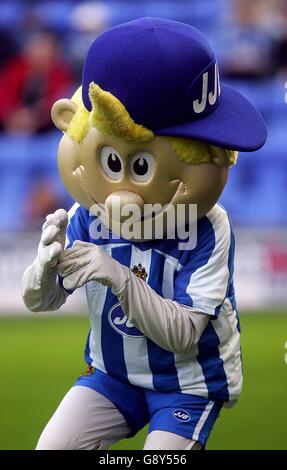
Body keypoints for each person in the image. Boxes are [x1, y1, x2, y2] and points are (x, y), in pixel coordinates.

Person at [22, 18, 267, 450]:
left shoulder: (209, 228)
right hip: (111, 376)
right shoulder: (85, 216)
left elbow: (183, 335)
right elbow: (42, 301)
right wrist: (42, 269)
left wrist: (118, 276)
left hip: (188, 384)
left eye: (140, 166)